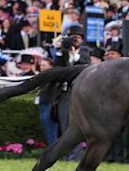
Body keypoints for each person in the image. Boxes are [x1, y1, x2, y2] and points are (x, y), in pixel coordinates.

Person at [54, 24, 90, 161]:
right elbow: (57, 68)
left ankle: (75, 157)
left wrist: (74, 56)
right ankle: (66, 156)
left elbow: (85, 65)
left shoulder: (85, 51)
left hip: (79, 93)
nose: (76, 40)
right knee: (64, 125)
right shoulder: (63, 52)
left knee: (76, 127)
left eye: (78, 38)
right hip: (64, 94)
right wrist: (59, 50)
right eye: (73, 38)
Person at [36, 58, 58, 146]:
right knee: (47, 129)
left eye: (44, 65)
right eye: (41, 65)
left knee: (51, 130)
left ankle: (54, 150)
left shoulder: (54, 77)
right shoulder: (42, 75)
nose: (41, 67)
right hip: (42, 103)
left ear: (51, 66)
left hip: (49, 104)